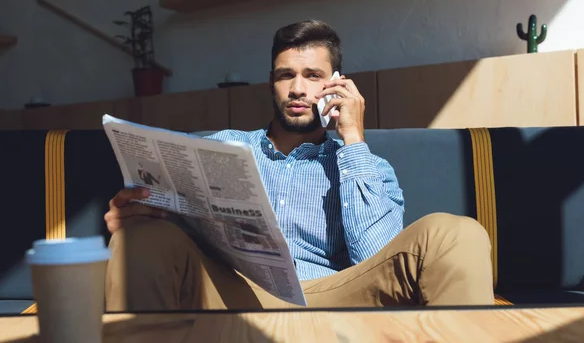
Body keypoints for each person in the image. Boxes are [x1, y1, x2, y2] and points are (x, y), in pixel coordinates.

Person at [104, 20, 494, 311]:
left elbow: (377, 258)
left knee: (457, 232)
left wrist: (353, 138)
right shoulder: (222, 147)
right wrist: (137, 218)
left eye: (313, 76)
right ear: (270, 83)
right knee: (137, 238)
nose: (296, 89)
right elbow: (173, 235)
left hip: (334, 299)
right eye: (285, 75)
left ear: (336, 85)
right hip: (230, 296)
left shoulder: (368, 167)